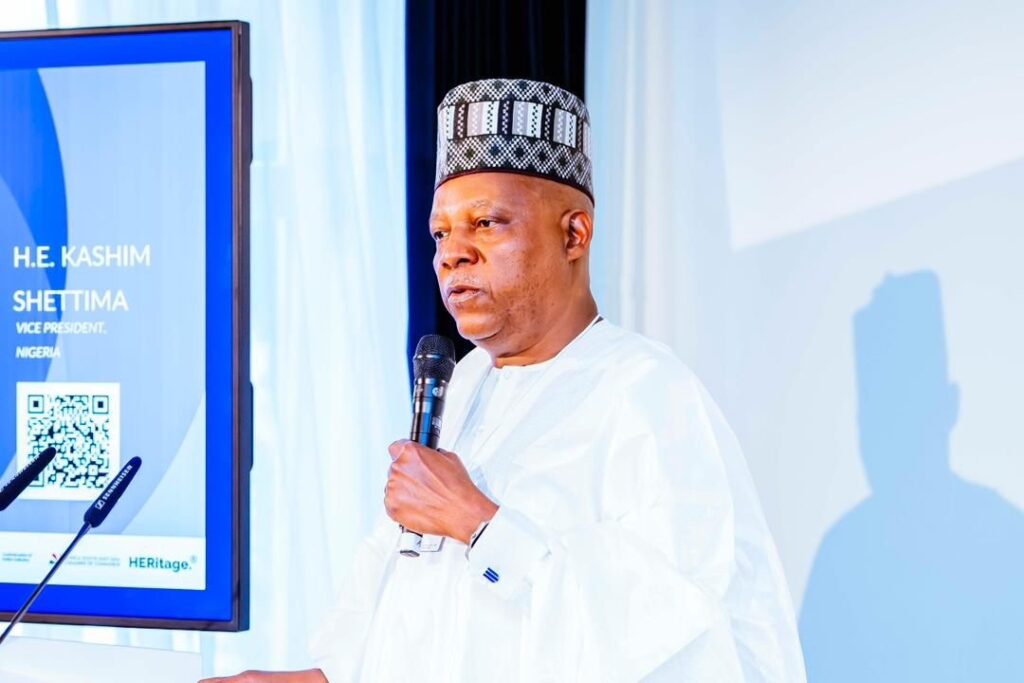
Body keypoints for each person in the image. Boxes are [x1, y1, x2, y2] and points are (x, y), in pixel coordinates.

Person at [203, 78, 806, 683]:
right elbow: (408, 601)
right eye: (441, 233)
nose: (452, 254)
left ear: (574, 234)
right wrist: (325, 677)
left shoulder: (646, 393)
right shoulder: (463, 387)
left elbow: (670, 625)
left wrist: (479, 523)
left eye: (486, 223)